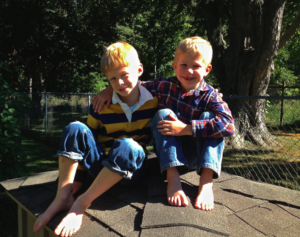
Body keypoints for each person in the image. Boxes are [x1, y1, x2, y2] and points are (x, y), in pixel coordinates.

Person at [92, 36, 235, 211]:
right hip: (168, 155)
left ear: (207, 69)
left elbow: (228, 125)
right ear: (175, 66)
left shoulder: (211, 95)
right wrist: (108, 89)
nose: (189, 71)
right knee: (163, 114)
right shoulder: (165, 86)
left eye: (196, 66)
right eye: (183, 65)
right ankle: (173, 178)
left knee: (209, 116)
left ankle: (206, 183)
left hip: (194, 156)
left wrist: (186, 129)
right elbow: (132, 83)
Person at [33, 42, 158, 236]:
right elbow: (85, 141)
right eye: (113, 79)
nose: (120, 83)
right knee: (75, 127)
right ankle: (63, 195)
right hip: (100, 167)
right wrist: (80, 177)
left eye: (125, 75)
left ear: (139, 70)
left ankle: (82, 203)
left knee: (129, 146)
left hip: (131, 171)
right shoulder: (102, 105)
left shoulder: (155, 101)